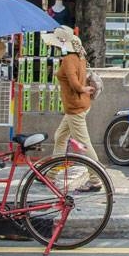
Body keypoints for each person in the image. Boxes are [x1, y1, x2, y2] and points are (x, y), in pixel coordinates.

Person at [43, 25, 100, 191]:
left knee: (84, 144)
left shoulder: (68, 60)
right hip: (78, 105)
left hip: (75, 108)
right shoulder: (79, 56)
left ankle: (96, 179)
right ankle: (51, 175)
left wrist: (83, 89)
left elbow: (74, 83)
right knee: (60, 136)